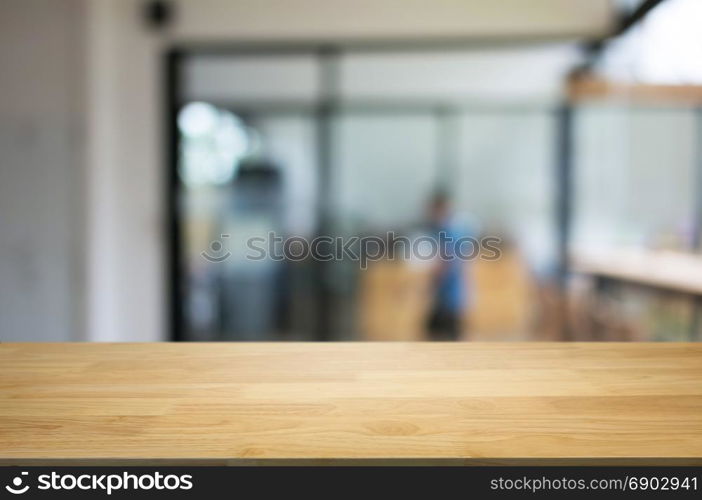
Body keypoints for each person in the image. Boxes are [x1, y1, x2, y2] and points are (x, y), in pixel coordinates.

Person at [425, 191, 470, 340]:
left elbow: (446, 263)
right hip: (449, 296)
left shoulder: (447, 231)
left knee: (444, 337)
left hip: (449, 297)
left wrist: (430, 285)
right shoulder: (449, 230)